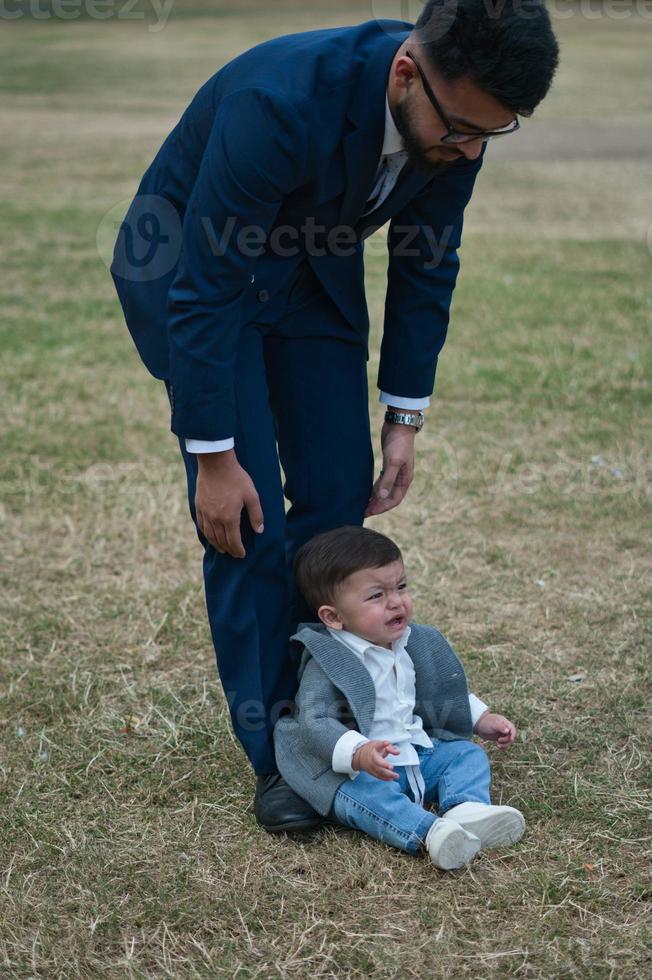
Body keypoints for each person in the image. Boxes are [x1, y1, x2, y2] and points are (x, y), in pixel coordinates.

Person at [110, 1, 559, 833]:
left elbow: (429, 260)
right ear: (404, 74)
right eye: (460, 131)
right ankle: (284, 753)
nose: (466, 152)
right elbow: (207, 281)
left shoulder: (459, 112)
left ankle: (339, 705)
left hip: (309, 269)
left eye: (488, 138)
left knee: (334, 497)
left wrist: (404, 416)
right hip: (196, 271)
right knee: (246, 520)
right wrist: (212, 454)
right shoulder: (279, 100)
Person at [274, 525, 524, 868]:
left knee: (466, 756)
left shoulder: (412, 643)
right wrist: (359, 753)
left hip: (414, 753)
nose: (396, 602)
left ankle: (466, 809)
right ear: (333, 617)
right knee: (365, 796)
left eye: (401, 587)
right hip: (360, 769)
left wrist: (481, 718)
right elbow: (314, 721)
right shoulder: (329, 660)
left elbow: (441, 691)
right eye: (376, 596)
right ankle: (430, 833)